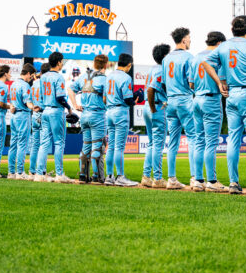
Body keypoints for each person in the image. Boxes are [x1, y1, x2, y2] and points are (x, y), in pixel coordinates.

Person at [207, 16, 246, 195]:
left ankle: (234, 183)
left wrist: (220, 82)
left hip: (232, 94)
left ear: (232, 29)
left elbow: (206, 63)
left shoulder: (223, 46)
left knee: (233, 140)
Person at [163, 28, 225, 191]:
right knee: (195, 140)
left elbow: (164, 82)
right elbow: (191, 84)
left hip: (171, 101)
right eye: (189, 38)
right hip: (187, 99)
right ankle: (197, 178)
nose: (190, 41)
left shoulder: (166, 58)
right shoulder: (189, 57)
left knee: (174, 143)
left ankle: (172, 178)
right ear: (183, 40)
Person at [191, 32, 228, 192]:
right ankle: (212, 181)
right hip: (211, 99)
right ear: (219, 43)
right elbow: (223, 79)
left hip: (196, 99)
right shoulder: (217, 56)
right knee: (211, 143)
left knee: (199, 141)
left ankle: (198, 180)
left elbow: (191, 84)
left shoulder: (195, 57)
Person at [68, 55, 108, 183]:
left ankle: (83, 176)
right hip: (97, 115)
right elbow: (106, 99)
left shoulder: (85, 76)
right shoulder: (104, 79)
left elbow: (70, 89)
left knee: (86, 147)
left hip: (84, 115)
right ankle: (97, 177)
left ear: (94, 64)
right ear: (105, 65)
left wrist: (75, 105)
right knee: (97, 147)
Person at [36, 52, 74, 183]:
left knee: (44, 143)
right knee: (59, 143)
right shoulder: (59, 77)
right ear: (58, 62)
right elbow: (59, 97)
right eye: (61, 61)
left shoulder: (43, 77)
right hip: (56, 110)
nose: (62, 63)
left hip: (45, 110)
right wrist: (69, 107)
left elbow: (41, 96)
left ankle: (39, 174)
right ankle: (59, 174)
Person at [105, 53, 139, 187]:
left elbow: (104, 98)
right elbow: (128, 99)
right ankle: (120, 176)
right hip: (120, 111)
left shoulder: (109, 76)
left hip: (109, 111)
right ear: (129, 65)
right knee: (119, 147)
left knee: (111, 146)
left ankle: (109, 176)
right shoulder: (126, 77)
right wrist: (135, 100)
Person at [144, 45, 170, 188]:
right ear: (165, 56)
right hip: (156, 106)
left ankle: (146, 176)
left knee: (152, 143)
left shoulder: (152, 68)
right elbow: (150, 89)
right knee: (158, 145)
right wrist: (154, 108)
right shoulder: (161, 70)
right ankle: (158, 178)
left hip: (146, 107)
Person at [8, 64, 35, 180]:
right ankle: (20, 172)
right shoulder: (25, 85)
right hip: (23, 115)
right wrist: (34, 107)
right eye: (31, 76)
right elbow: (28, 102)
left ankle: (11, 172)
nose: (32, 78)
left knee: (13, 144)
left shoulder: (13, 84)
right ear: (28, 74)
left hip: (13, 116)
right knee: (22, 144)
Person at [29, 64, 49, 177]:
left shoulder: (34, 84)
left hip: (34, 114)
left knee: (34, 145)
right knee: (43, 144)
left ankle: (32, 170)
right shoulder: (45, 83)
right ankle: (41, 170)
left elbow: (30, 100)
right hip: (43, 113)